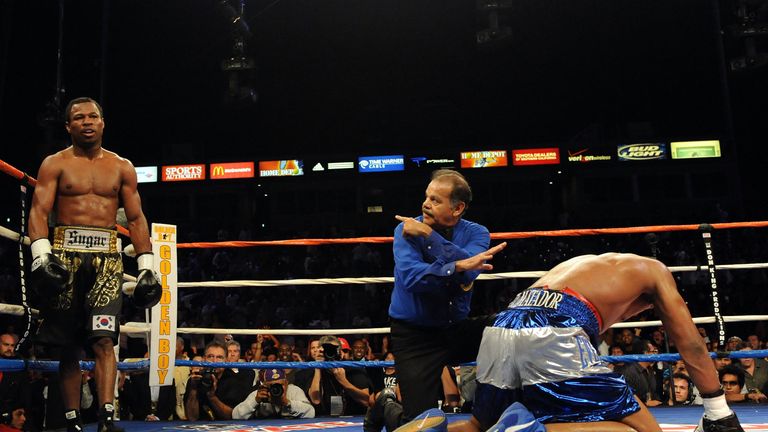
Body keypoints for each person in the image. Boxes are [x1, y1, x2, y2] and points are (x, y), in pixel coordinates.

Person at [416, 253, 743, 432]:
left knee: (478, 425)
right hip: (555, 326)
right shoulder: (657, 273)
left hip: (504, 323)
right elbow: (693, 346)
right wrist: (718, 409)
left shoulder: (585, 268)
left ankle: (436, 429)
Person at [28, 97, 162, 432]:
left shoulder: (121, 167)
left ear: (103, 123)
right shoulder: (54, 164)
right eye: (79, 117)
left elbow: (136, 217)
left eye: (93, 116)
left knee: (105, 340)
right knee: (69, 344)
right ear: (68, 126)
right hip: (64, 256)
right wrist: (41, 255)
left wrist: (147, 265)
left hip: (107, 260)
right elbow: (39, 211)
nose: (87, 122)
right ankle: (72, 420)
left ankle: (106, 418)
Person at [389, 169, 506, 421]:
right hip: (415, 337)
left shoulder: (477, 233)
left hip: (456, 330)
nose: (425, 204)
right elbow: (414, 278)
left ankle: (507, 410)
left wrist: (429, 236)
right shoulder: (406, 229)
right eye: (426, 197)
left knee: (512, 327)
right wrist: (459, 265)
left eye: (435, 200)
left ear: (457, 208)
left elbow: (467, 275)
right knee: (420, 423)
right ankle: (385, 407)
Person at [184, 341, 256, 420]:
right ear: (204, 359)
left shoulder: (234, 380)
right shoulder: (196, 379)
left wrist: (212, 397)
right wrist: (193, 389)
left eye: (219, 357)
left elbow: (231, 416)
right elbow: (192, 418)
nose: (214, 361)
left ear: (226, 360)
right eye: (210, 356)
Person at [232, 368, 315, 419]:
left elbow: (311, 412)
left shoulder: (294, 391)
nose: (276, 388)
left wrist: (287, 403)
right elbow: (235, 416)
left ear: (286, 383)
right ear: (264, 385)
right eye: (271, 385)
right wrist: (255, 401)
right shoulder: (261, 393)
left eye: (280, 385)